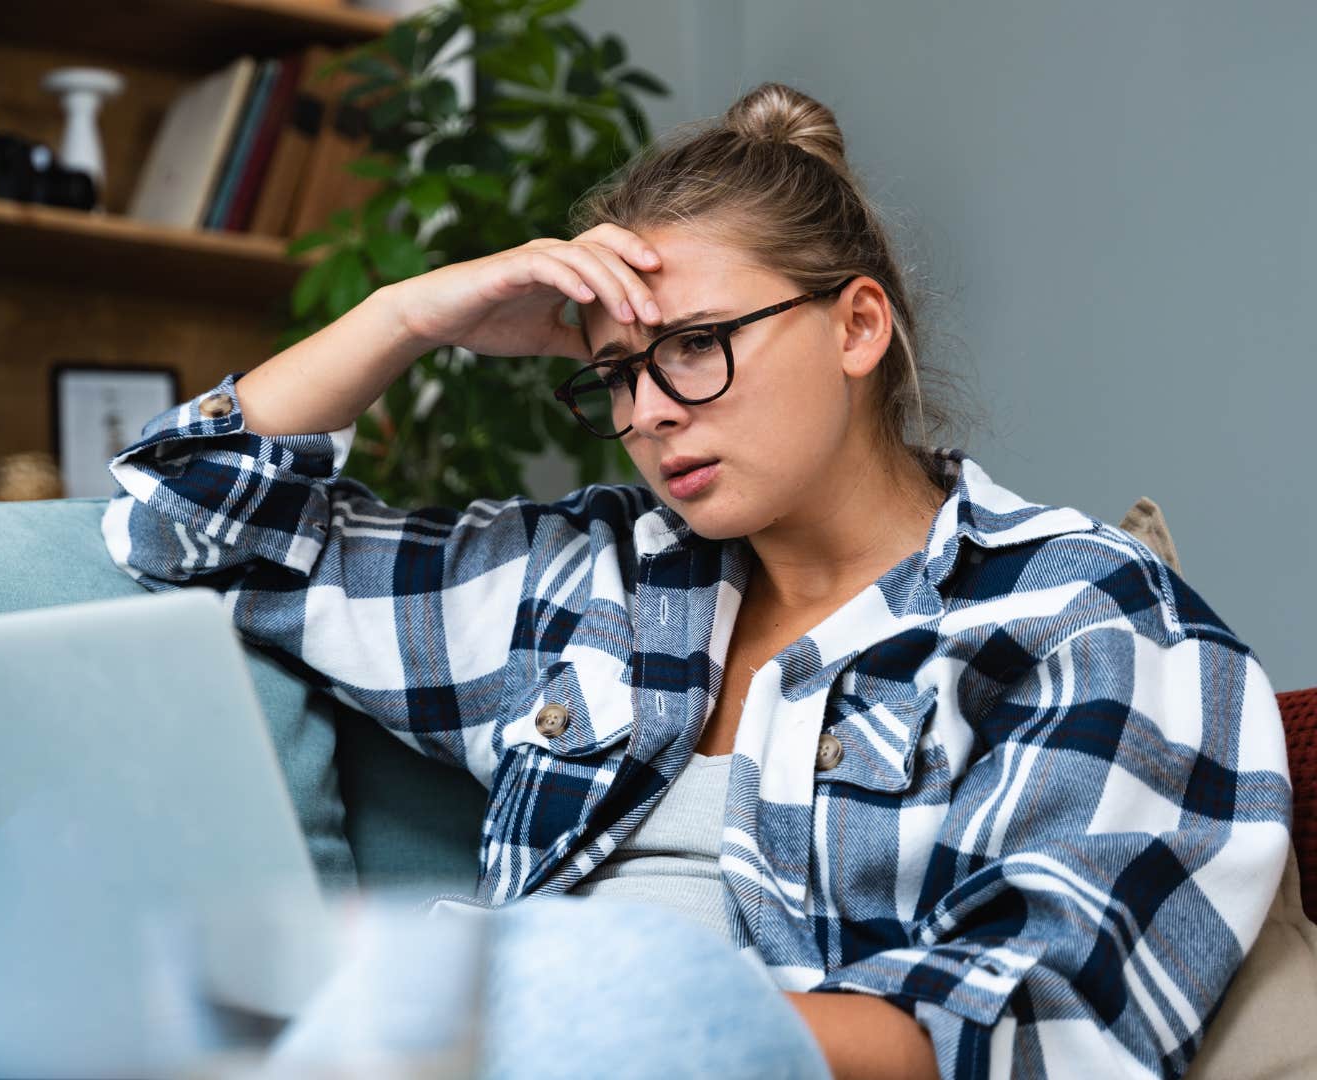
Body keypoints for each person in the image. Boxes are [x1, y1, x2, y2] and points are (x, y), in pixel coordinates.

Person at [100, 81, 1294, 1080]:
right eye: (617, 372)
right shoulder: (588, 583)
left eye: (693, 349)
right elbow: (180, 519)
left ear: (856, 327)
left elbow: (1020, 1032)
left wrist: (562, 1021)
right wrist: (412, 313)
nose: (651, 411)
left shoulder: (1086, 619)